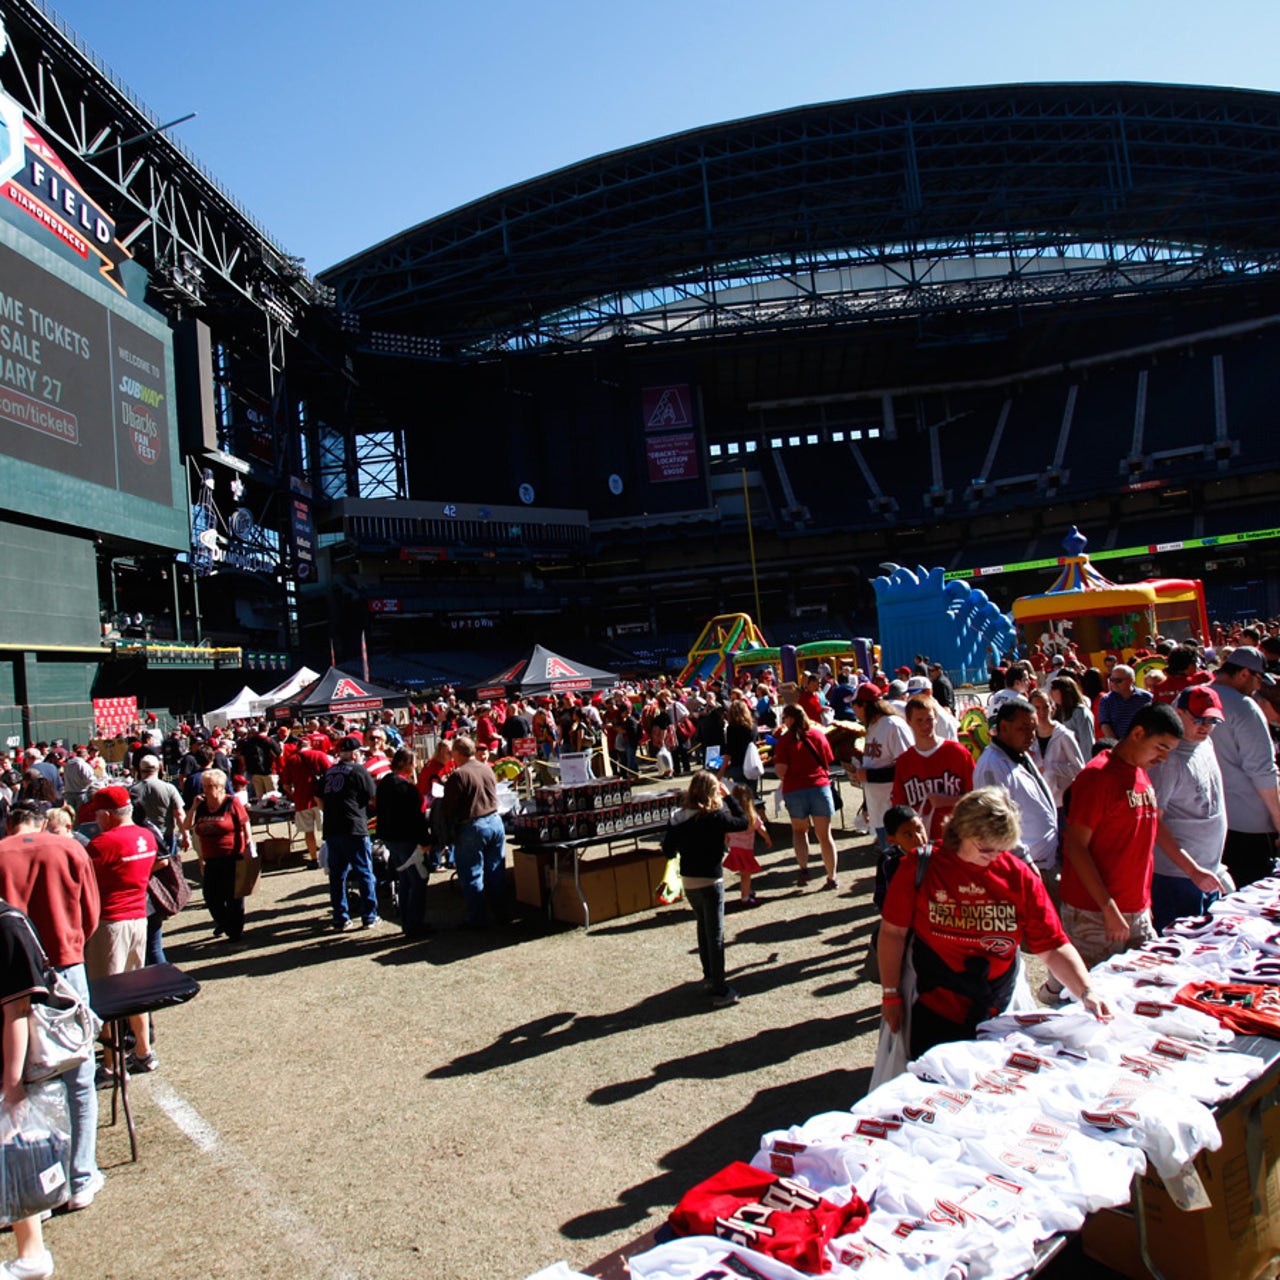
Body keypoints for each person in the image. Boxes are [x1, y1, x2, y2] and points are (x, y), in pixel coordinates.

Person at [878, 787, 1111, 1059]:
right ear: (961, 831)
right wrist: (891, 995)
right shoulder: (922, 866)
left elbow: (1052, 944)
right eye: (985, 846)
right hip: (935, 1007)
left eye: (1002, 847)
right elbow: (893, 933)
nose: (993, 855)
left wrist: (1086, 991)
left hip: (998, 1012)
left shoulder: (1018, 875)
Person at [0, 801, 102, 1213]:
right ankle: (79, 1176)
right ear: (43, 821)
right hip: (65, 965)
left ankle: (39, 1180)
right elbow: (91, 912)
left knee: (23, 1079)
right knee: (78, 1075)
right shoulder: (68, 847)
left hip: (12, 975)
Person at [1049, 703, 1184, 996]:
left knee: (1142, 994)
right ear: (1137, 733)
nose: (1163, 758)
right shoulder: (1098, 777)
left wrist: (1191, 870)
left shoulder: (1139, 772)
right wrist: (1108, 908)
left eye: (1169, 751)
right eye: (1160, 747)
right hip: (1095, 915)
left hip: (1136, 911)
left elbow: (1149, 830)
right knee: (1089, 1000)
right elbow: (1076, 846)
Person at [0, 898, 59, 1278]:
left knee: (15, 1153)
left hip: (6, 1067)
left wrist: (12, 1082)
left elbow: (18, 1012)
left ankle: (32, 1254)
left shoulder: (7, 925)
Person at [86, 786, 159, 1075]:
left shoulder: (102, 844)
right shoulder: (147, 836)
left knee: (105, 993)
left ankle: (112, 1062)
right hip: (138, 917)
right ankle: (143, 1050)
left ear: (106, 815)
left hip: (110, 922)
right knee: (135, 988)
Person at [661, 771, 749, 1007]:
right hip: (711, 880)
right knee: (715, 935)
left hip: (689, 880)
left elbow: (668, 849)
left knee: (703, 927)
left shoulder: (678, 817)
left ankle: (709, 976)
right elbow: (743, 822)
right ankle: (720, 989)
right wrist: (730, 797)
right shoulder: (715, 816)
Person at [1147, 686, 1231, 932]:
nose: (1205, 725)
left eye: (1212, 720)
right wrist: (1192, 870)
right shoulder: (1168, 760)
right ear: (1179, 713)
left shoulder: (1206, 743)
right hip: (1177, 877)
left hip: (1207, 871)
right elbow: (1155, 822)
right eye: (1198, 718)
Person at [1209, 646, 1280, 887]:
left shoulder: (1190, 697)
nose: (1257, 689)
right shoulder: (1244, 707)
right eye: (1258, 680)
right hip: (1248, 824)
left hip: (1207, 822)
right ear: (1244, 674)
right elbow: (1263, 771)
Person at [973, 699, 1059, 877]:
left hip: (1045, 862)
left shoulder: (1020, 755)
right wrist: (1025, 862)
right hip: (1026, 869)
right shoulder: (992, 765)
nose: (1031, 735)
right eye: (1024, 728)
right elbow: (994, 822)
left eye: (1033, 729)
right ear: (1004, 727)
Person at [437, 737, 507, 929]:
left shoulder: (459, 775)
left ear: (458, 753)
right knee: (495, 871)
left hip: (473, 825)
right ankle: (501, 912)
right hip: (495, 821)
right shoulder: (486, 768)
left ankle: (477, 917)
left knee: (472, 873)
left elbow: (448, 806)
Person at [771, 704, 838, 890]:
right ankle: (832, 876)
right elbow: (828, 759)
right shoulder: (818, 735)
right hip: (819, 787)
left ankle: (803, 868)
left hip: (795, 789)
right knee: (825, 835)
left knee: (799, 831)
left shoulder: (785, 740)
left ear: (789, 718)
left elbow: (780, 769)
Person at [183, 768, 253, 944]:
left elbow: (245, 825)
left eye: (209, 786)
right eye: (204, 786)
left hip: (232, 855)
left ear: (220, 787)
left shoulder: (232, 802)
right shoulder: (201, 806)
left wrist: (248, 847)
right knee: (211, 895)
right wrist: (193, 807)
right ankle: (224, 922)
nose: (205, 790)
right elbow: (186, 826)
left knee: (233, 897)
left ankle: (235, 932)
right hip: (211, 857)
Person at [889, 696, 973, 841]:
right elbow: (900, 806)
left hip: (957, 837)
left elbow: (979, 796)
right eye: (919, 721)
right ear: (909, 722)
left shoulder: (958, 753)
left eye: (929, 719)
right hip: (922, 843)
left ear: (936, 719)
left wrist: (949, 800)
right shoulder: (904, 762)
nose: (925, 726)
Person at [320, 737, 380, 931]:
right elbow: (372, 796)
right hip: (354, 826)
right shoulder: (358, 770)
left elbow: (318, 796)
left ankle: (341, 917)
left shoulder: (329, 771)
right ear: (354, 754)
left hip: (332, 828)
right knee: (364, 872)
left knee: (337, 876)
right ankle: (369, 916)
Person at [375, 748, 431, 938]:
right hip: (407, 840)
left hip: (392, 839)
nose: (415, 766)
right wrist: (425, 841)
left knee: (406, 881)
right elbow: (417, 818)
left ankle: (408, 923)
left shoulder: (385, 784)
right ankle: (415, 924)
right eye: (413, 762)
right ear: (405, 764)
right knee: (417, 881)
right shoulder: (406, 788)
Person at [852, 687, 913, 851]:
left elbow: (907, 768)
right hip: (879, 811)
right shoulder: (872, 727)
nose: (853, 710)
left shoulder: (893, 725)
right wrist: (866, 805)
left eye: (854, 705)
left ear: (864, 705)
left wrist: (870, 775)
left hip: (896, 811)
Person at [1028, 686, 1086, 809]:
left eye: (1046, 707)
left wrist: (1052, 768)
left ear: (1052, 707)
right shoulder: (1029, 738)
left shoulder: (1064, 735)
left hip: (1062, 802)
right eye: (1037, 708)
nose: (1042, 712)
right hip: (1039, 801)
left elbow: (1079, 768)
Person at [723, 783, 771, 906]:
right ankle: (745, 897)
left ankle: (747, 890)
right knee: (746, 874)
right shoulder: (752, 817)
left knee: (743, 873)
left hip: (734, 848)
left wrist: (727, 841)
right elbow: (762, 829)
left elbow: (726, 831)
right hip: (745, 849)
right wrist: (767, 838)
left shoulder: (729, 815)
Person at [1097, 664, 1153, 740]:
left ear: (1131, 680)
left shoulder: (1146, 698)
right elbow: (1105, 724)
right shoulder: (1106, 700)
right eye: (1112, 680)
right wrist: (1115, 744)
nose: (1114, 684)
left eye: (1118, 681)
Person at [1050, 674, 1095, 761]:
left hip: (1081, 762)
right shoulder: (1059, 712)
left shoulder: (1080, 712)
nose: (1051, 692)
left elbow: (1087, 743)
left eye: (1054, 689)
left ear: (1064, 691)